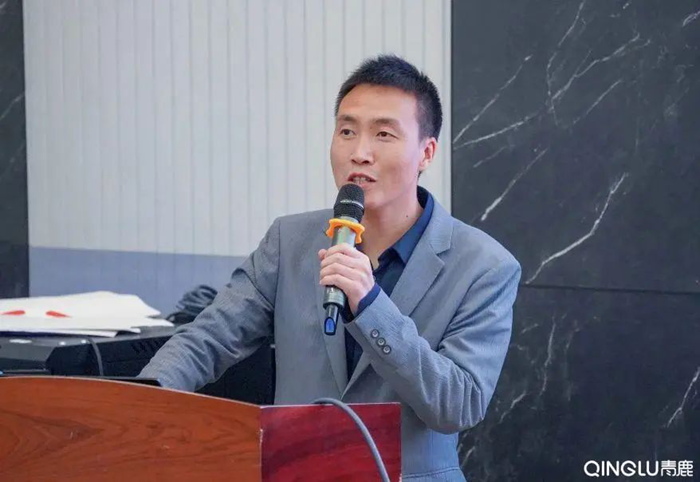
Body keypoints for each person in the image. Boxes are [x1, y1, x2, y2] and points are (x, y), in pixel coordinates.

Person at [139, 55, 521, 481]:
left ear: (426, 153)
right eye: (347, 131)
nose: (360, 153)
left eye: (383, 134)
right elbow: (209, 338)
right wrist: (139, 402)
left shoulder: (484, 267)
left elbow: (459, 404)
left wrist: (371, 305)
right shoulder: (289, 241)